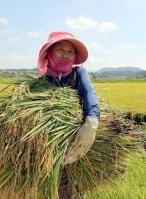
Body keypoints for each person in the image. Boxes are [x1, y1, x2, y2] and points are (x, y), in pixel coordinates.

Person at [37, 31, 100, 198]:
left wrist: (91, 122)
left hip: (76, 145)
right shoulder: (41, 82)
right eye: (60, 50)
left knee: (74, 189)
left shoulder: (78, 74)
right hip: (49, 149)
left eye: (70, 51)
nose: (65, 54)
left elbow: (89, 94)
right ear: (49, 52)